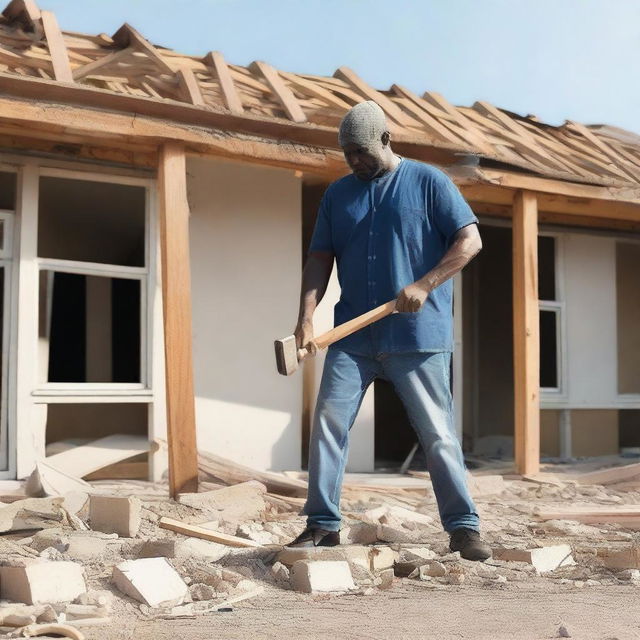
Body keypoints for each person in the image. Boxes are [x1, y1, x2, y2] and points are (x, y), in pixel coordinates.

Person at [287, 100, 490, 561]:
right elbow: (320, 258)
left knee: (437, 432)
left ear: (385, 139)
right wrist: (305, 317)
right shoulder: (338, 195)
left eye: (361, 151)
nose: (354, 160)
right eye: (347, 154)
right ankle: (321, 525)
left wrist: (425, 283)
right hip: (353, 336)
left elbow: (470, 240)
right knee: (328, 425)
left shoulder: (428, 181)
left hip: (418, 337)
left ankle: (463, 529)